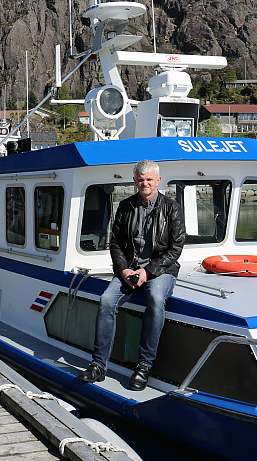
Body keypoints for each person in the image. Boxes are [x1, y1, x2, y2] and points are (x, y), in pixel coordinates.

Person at [79, 159, 186, 391]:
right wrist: (124, 270)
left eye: (149, 179)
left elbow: (176, 248)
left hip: (161, 271)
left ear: (158, 180)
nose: (144, 183)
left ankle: (144, 366)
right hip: (128, 269)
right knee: (107, 301)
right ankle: (99, 364)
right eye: (140, 179)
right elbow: (115, 243)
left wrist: (148, 272)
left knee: (156, 300)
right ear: (135, 180)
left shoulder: (172, 209)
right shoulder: (126, 207)